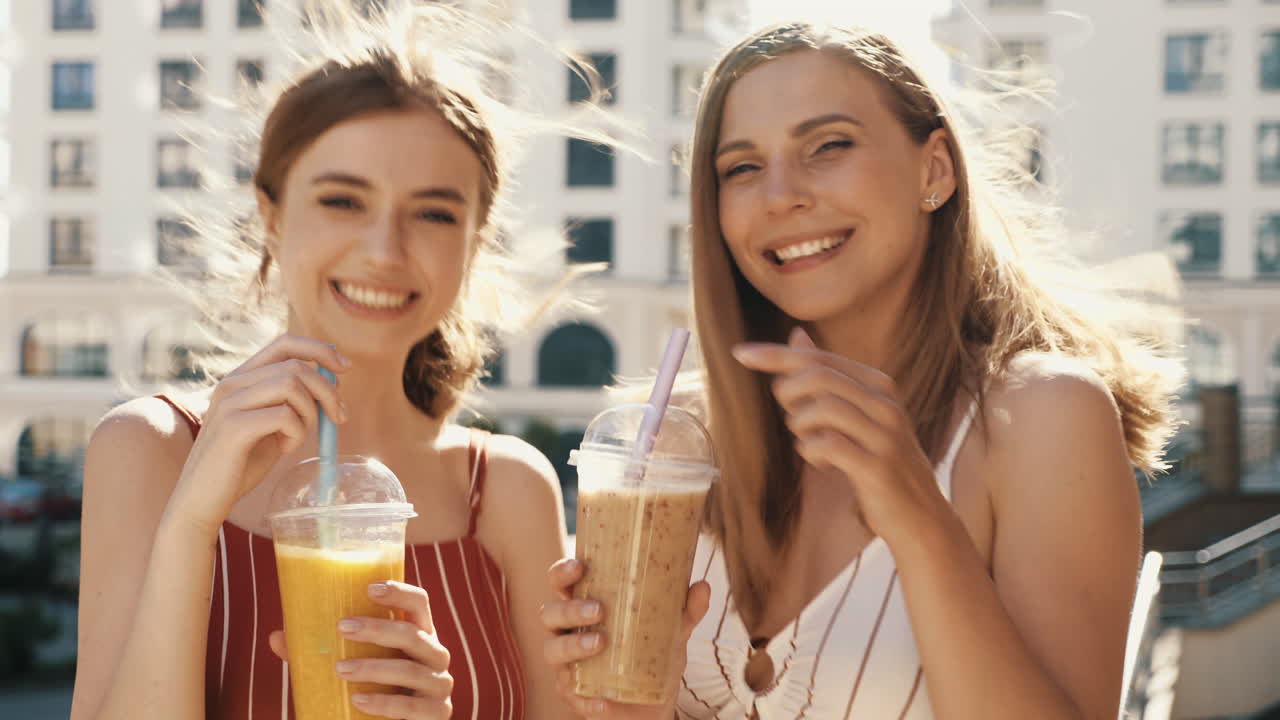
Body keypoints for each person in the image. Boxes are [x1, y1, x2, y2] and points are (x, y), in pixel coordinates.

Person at [541, 21, 1183, 719]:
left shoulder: (1041, 416)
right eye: (742, 168)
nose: (781, 194)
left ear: (934, 170)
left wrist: (916, 513)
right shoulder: (674, 440)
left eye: (828, 147)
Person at [69, 3, 577, 718]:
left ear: (475, 239)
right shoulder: (152, 451)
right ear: (272, 217)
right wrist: (191, 526)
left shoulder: (510, 492)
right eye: (343, 200)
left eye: (434, 213)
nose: (384, 250)